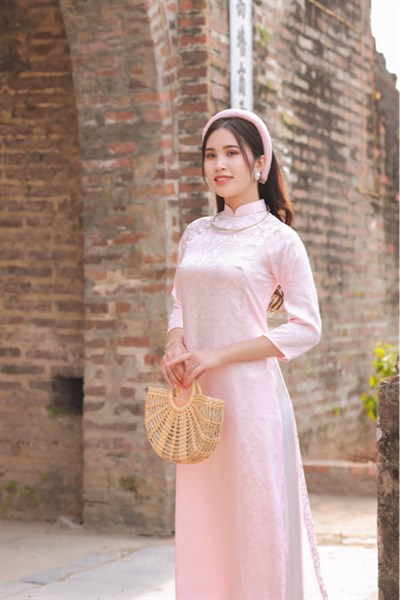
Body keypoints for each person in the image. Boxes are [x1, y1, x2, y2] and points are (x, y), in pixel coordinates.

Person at [161, 108, 328, 600]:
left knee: (255, 523)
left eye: (232, 153)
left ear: (258, 164)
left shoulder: (279, 239)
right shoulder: (196, 232)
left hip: (251, 403)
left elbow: (306, 328)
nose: (219, 164)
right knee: (205, 523)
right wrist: (175, 343)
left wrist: (217, 355)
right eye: (210, 154)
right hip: (197, 400)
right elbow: (179, 302)